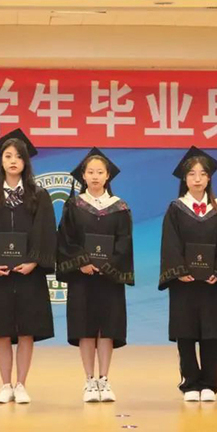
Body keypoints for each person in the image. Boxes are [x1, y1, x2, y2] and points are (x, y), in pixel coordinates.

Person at [0, 129, 56, 404]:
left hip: (29, 274)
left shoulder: (38, 196)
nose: (13, 161)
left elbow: (45, 231)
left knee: (27, 329)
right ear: (0, 161)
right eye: (8, 156)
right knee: (1, 330)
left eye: (18, 156)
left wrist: (34, 261)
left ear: (26, 161)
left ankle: (21, 384)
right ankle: (5, 384)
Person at [158, 146, 217, 403]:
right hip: (183, 283)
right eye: (192, 174)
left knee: (211, 333)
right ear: (184, 179)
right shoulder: (176, 208)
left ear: (209, 179)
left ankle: (210, 384)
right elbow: (170, 243)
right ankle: (190, 383)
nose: (197, 179)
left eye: (202, 174)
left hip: (211, 283)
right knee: (185, 333)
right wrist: (179, 271)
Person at [57, 148, 134, 403]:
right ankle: (89, 380)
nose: (95, 176)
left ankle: (104, 379)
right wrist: (82, 262)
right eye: (90, 172)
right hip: (83, 277)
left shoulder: (119, 207)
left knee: (107, 328)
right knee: (86, 328)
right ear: (83, 175)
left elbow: (124, 241)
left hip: (109, 278)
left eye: (100, 172)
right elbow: (66, 239)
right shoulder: (73, 205)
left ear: (108, 175)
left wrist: (108, 265)